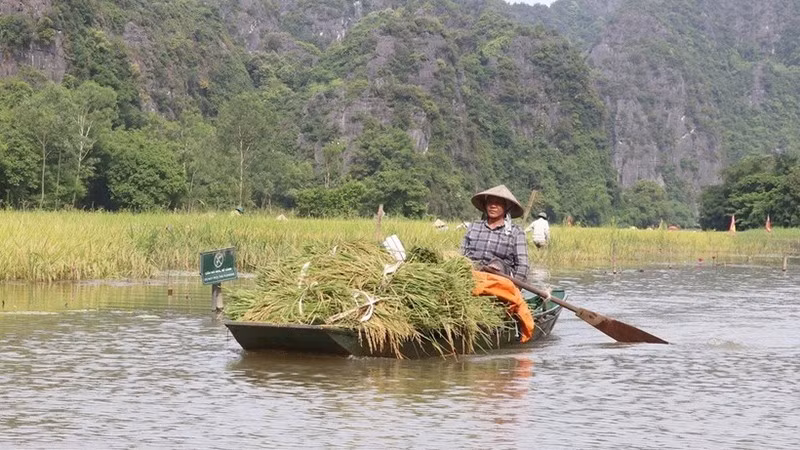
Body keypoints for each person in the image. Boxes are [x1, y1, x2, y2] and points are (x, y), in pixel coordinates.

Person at [460, 184, 530, 282]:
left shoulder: (516, 232)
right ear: (485, 205)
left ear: (507, 207)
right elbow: (461, 256)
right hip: (471, 278)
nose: (493, 206)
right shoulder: (473, 227)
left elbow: (523, 265)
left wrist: (515, 288)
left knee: (497, 264)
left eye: (498, 203)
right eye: (490, 202)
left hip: (499, 281)